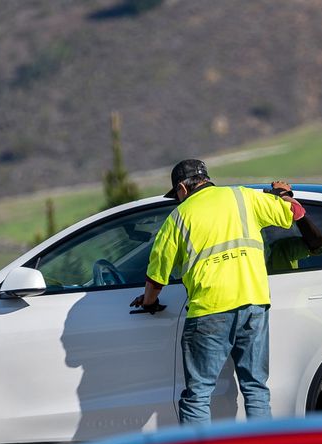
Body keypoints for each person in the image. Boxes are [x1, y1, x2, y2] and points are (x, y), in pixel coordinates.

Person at [131, 159, 310, 424]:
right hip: (254, 304)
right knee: (256, 389)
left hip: (210, 310)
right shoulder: (243, 197)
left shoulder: (178, 217)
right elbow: (294, 212)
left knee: (198, 395)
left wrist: (148, 302)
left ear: (182, 188)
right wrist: (283, 193)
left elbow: (156, 277)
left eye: (176, 195)